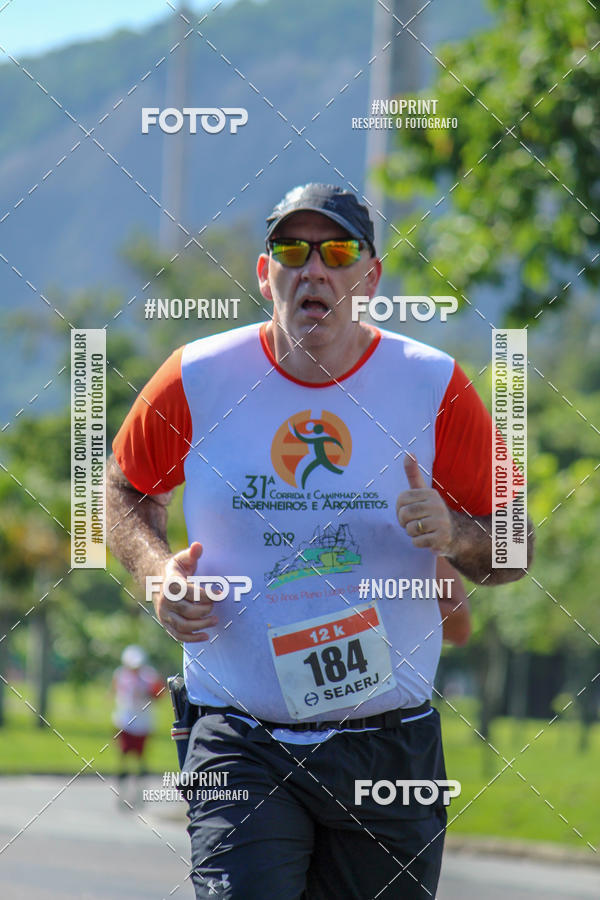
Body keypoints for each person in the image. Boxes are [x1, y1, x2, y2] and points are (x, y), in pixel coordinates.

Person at [106, 183, 533, 898]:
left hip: (386, 748)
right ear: (264, 271)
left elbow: (515, 547)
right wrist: (156, 572)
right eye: (291, 250)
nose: (315, 269)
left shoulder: (432, 385)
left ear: (371, 276)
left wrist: (453, 532)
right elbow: (121, 491)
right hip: (240, 735)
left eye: (336, 251)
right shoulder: (197, 375)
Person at [112, 644, 163, 805]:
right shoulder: (120, 675)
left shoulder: (149, 677)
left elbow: (159, 694)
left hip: (142, 722)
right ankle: (122, 786)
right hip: (125, 721)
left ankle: (140, 787)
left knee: (141, 756)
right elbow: (116, 691)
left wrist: (149, 693)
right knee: (123, 754)